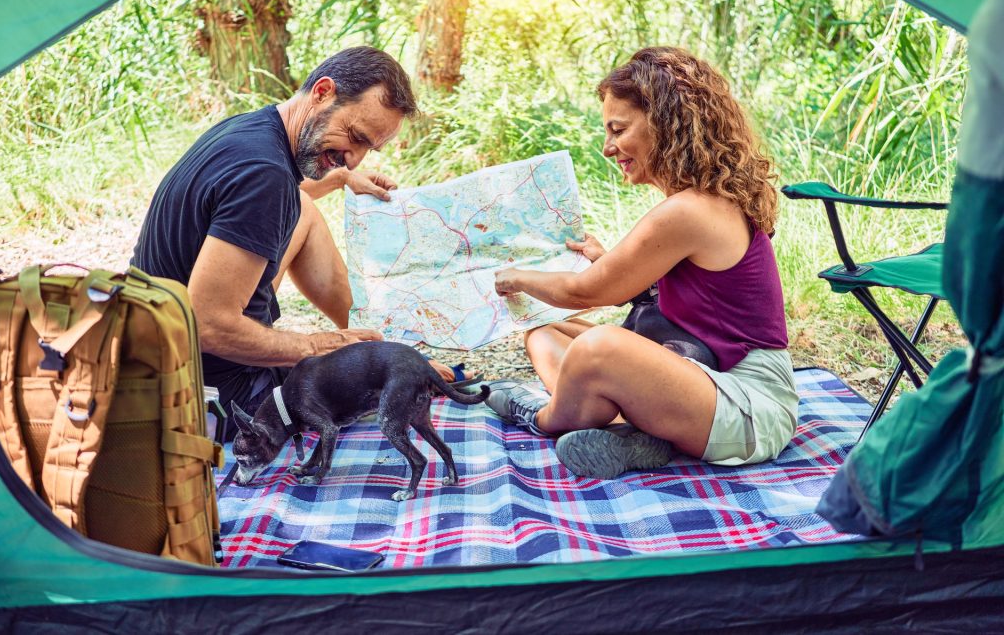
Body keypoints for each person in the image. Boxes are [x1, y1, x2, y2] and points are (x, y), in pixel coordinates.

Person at [486, 46, 799, 479]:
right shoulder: (697, 202)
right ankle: (634, 434)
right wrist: (608, 259)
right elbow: (671, 292)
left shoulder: (691, 209)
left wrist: (515, 277)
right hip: (699, 371)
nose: (608, 147)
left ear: (667, 122)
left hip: (747, 406)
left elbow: (586, 292)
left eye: (618, 129)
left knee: (599, 348)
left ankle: (541, 417)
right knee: (545, 329)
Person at [132, 46, 469, 435]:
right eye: (354, 137)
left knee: (302, 209)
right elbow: (207, 325)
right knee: (347, 379)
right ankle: (378, 355)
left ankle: (382, 347)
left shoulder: (251, 131)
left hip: (150, 359)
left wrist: (340, 178)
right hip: (207, 398)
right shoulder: (265, 176)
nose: (355, 159)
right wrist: (324, 346)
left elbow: (268, 195)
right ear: (323, 92)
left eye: (368, 149)